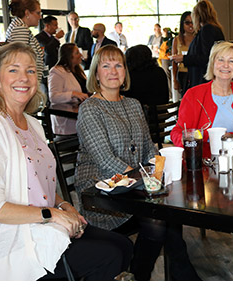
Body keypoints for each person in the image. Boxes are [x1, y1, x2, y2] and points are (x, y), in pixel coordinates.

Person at [0, 42, 132, 281]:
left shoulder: (33, 124)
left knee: (123, 246)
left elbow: (39, 184)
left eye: (30, 71)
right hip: (6, 244)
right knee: (108, 256)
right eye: (13, 70)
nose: (24, 78)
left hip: (39, 225)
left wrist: (64, 206)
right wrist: (52, 214)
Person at [75, 45, 199, 280]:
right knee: (158, 221)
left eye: (118, 65)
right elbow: (105, 160)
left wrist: (160, 172)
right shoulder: (90, 108)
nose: (113, 71)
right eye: (106, 66)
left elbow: (148, 150)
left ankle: (160, 277)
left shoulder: (133, 104)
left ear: (125, 72)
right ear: (96, 74)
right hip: (101, 192)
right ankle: (147, 276)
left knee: (169, 213)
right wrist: (147, 180)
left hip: (134, 190)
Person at [171, 41, 233, 158]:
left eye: (231, 61)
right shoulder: (194, 95)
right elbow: (177, 132)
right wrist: (188, 140)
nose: (225, 65)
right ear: (212, 63)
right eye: (220, 60)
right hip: (205, 163)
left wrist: (229, 137)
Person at [171, 0, 225, 90]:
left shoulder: (207, 30)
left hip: (203, 79)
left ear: (196, 16)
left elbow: (207, 57)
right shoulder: (215, 29)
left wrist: (184, 58)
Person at [48, 43, 89, 137]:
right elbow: (53, 97)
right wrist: (73, 94)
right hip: (66, 124)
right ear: (69, 55)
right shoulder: (57, 71)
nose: (81, 55)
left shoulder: (78, 70)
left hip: (82, 118)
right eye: (77, 53)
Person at [5, 0, 44, 83]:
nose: (40, 17)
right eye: (38, 13)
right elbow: (19, 61)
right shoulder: (20, 29)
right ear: (27, 13)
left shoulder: (18, 26)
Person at [172, 11, 195, 96]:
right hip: (183, 74)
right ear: (182, 24)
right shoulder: (177, 40)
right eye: (187, 22)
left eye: (192, 22)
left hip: (196, 73)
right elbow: (173, 61)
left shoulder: (199, 39)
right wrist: (174, 80)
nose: (190, 25)